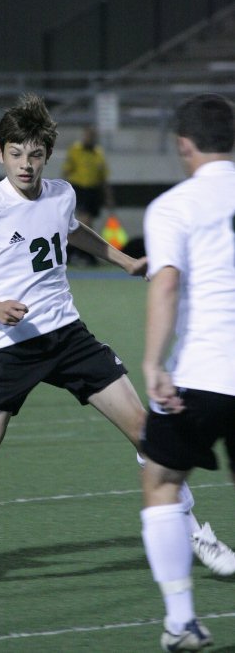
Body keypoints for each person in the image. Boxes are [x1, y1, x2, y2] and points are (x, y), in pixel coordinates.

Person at [0, 93, 230, 579]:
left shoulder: (60, 194)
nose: (26, 165)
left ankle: (194, 534)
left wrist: (123, 259)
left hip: (66, 335)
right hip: (7, 348)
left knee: (148, 434)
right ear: (0, 153)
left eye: (35, 154)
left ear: (47, 155)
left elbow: (71, 228)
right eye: (16, 153)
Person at [140, 93, 235, 651]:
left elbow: (167, 283)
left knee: (161, 481)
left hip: (201, 373)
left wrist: (153, 362)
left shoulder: (174, 205)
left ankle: (182, 621)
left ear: (184, 145)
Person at [62, 123, 115, 266]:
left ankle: (82, 254)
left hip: (93, 192)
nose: (90, 137)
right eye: (88, 134)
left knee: (89, 225)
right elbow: (66, 171)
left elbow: (103, 178)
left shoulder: (98, 153)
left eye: (92, 135)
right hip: (79, 189)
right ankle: (76, 253)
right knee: (83, 222)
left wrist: (108, 197)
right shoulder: (75, 150)